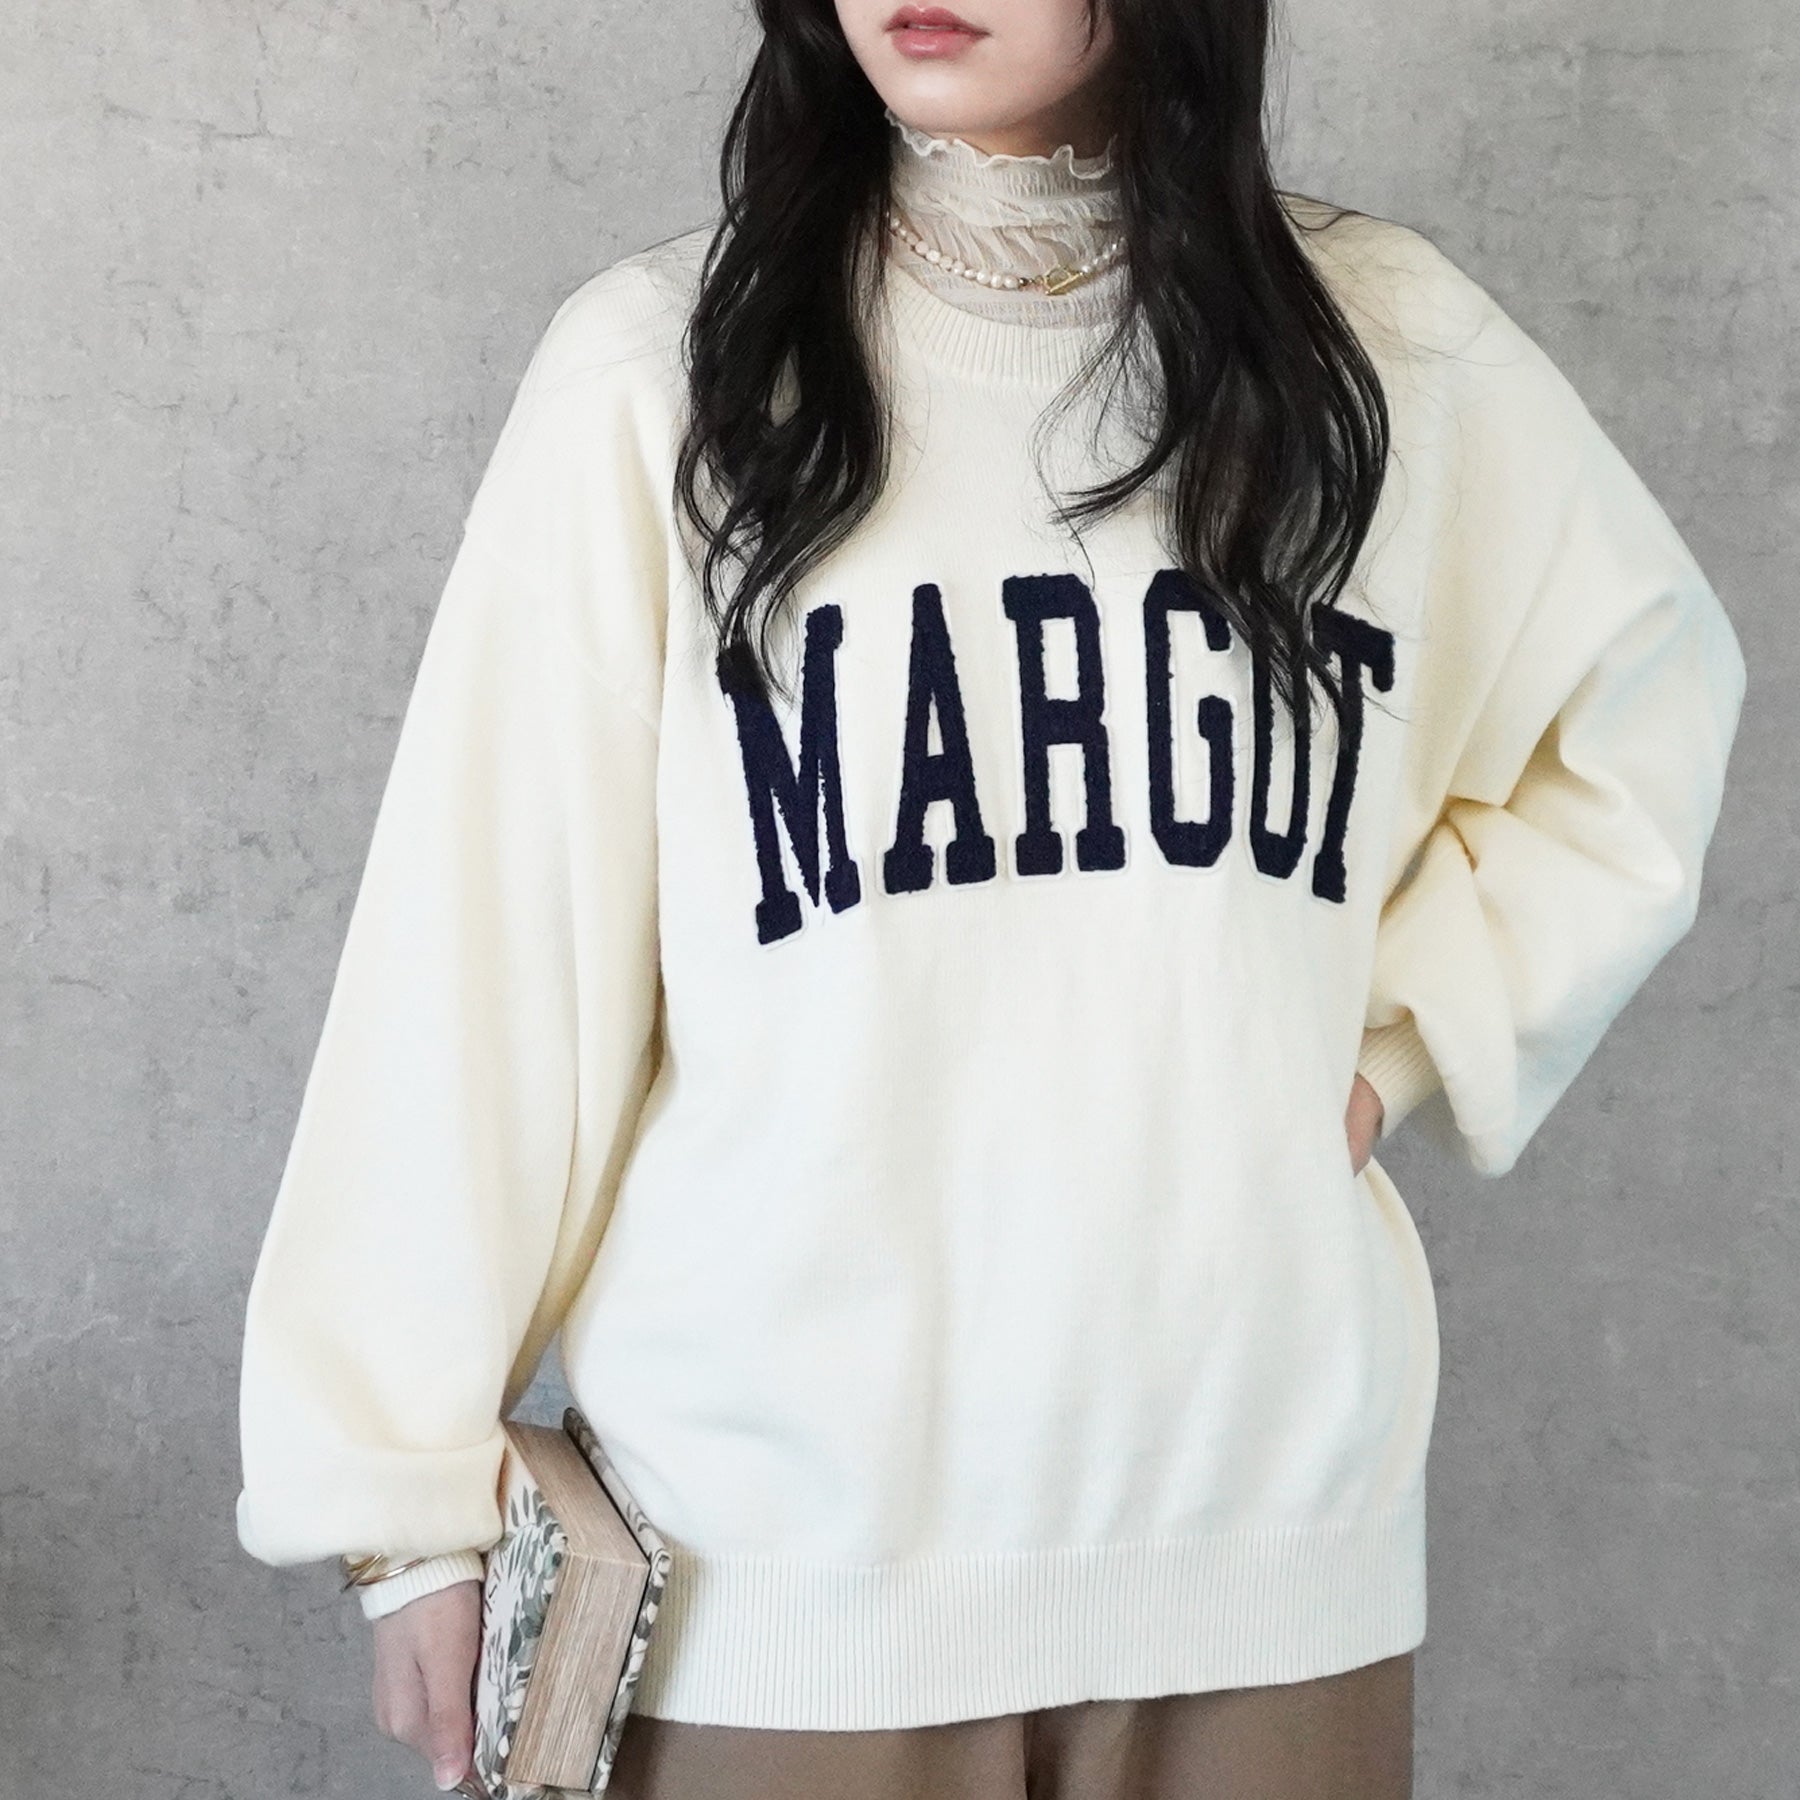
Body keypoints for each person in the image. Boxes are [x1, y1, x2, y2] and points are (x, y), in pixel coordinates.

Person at [233, 1, 1747, 1795]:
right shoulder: (659, 372)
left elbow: (1638, 713)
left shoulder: (1390, 348)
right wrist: (403, 1503)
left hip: (1262, 1555)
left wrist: (1397, 1043)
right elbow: (479, 959)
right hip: (777, 1580)